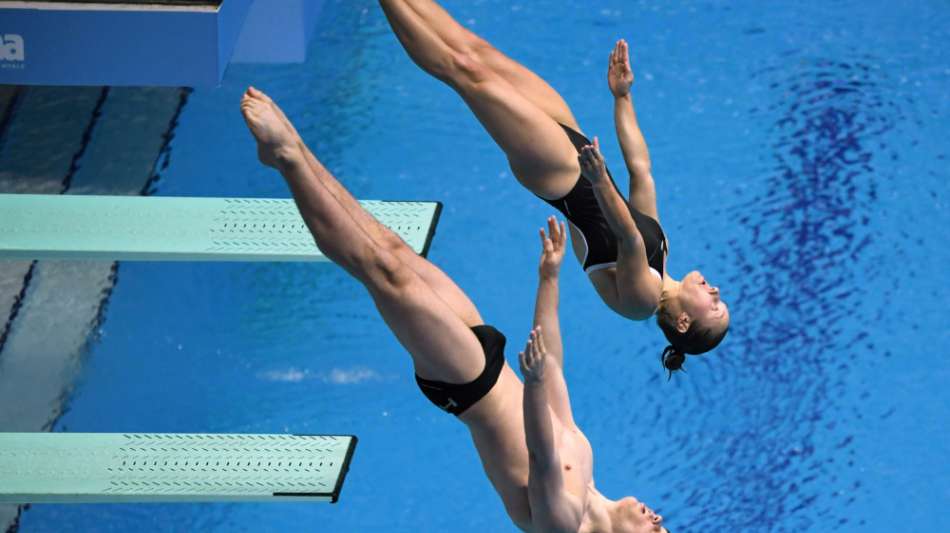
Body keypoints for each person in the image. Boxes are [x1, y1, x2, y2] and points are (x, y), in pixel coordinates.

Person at [240, 86, 669, 532]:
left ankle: (288, 156)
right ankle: (293, 155)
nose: (657, 520)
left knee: (383, 270)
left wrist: (537, 384)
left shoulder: (565, 524)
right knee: (393, 251)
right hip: (489, 355)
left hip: (468, 385)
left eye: (656, 532)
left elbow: (541, 456)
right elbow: (553, 369)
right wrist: (549, 280)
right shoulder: (588, 472)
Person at [379, 0, 728, 375]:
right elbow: (641, 172)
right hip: (577, 150)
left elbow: (628, 238)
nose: (716, 292)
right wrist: (622, 98)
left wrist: (597, 182)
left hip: (560, 175)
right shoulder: (664, 253)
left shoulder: (641, 302)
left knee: (464, 71)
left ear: (682, 323)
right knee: (476, 51)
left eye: (714, 307)